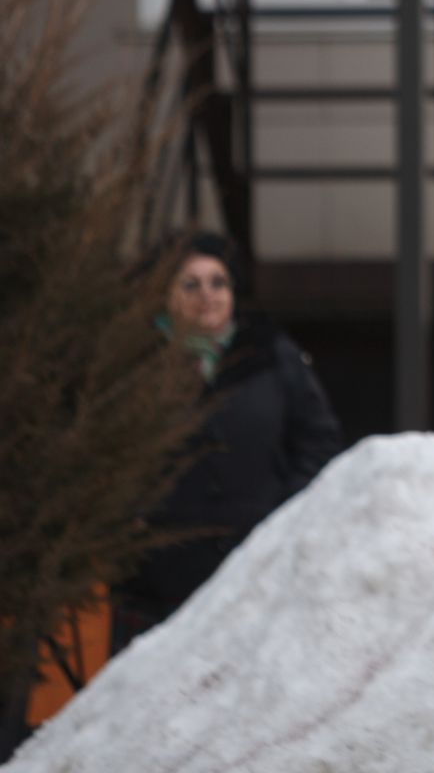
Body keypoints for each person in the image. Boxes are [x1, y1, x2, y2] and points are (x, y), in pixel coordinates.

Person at [112, 232, 344, 651]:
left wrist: (286, 512)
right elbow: (108, 457)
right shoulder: (134, 366)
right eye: (191, 284)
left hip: (257, 566)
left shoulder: (271, 354)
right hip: (163, 577)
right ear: (164, 295)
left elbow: (318, 441)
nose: (208, 296)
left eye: (218, 283)